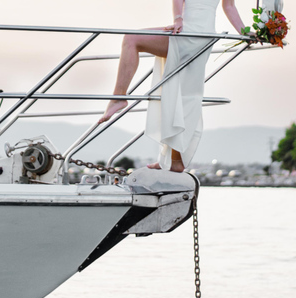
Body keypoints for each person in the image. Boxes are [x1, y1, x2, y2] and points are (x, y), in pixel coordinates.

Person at [99, 0, 247, 172]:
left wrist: (246, 33)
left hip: (192, 33)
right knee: (182, 94)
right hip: (202, 36)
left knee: (131, 39)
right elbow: (228, 6)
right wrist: (245, 32)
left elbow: (227, 6)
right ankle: (173, 161)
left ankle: (119, 97)